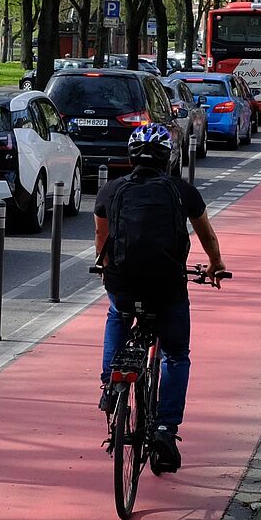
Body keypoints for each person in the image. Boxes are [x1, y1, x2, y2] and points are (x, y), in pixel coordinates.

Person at [93, 123, 226, 474]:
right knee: (177, 355)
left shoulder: (110, 191)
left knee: (116, 315)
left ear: (131, 156)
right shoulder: (183, 192)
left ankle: (110, 384)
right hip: (167, 288)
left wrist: (107, 270)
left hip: (124, 284)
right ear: (168, 158)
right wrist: (215, 265)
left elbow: (101, 238)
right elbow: (206, 235)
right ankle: (166, 429)